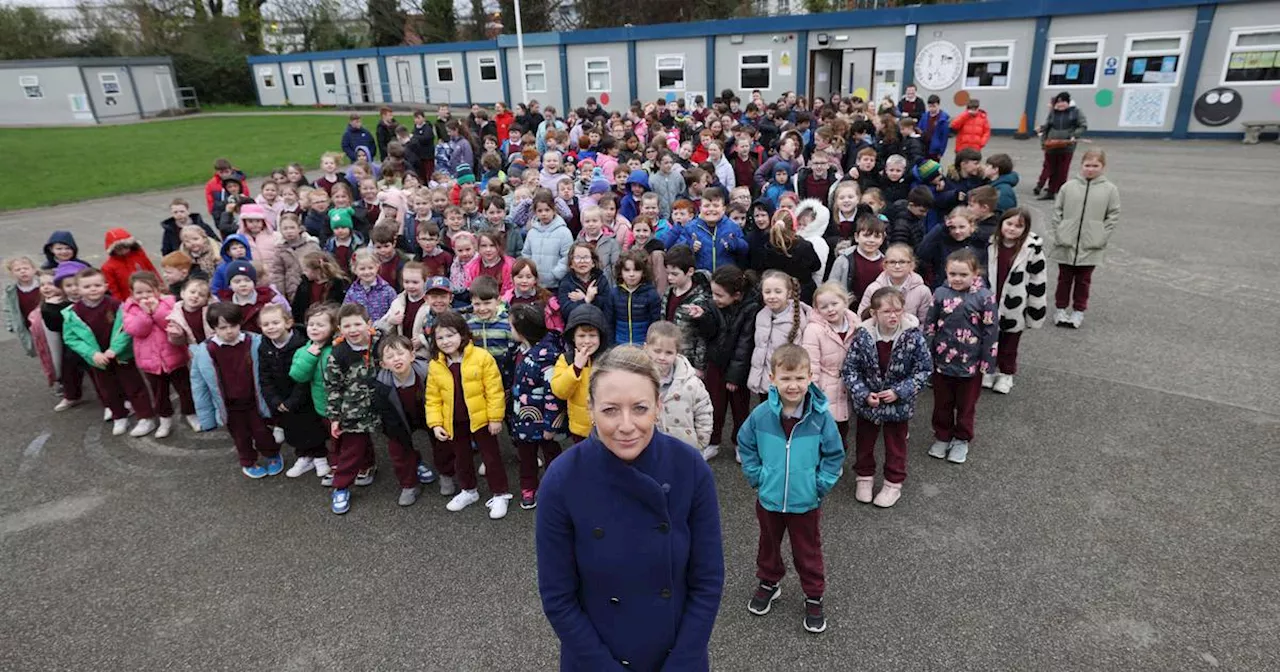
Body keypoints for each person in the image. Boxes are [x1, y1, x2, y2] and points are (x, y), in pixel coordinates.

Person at [536, 345, 725, 671]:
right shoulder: (562, 478)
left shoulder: (689, 467)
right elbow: (558, 598)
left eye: (639, 408)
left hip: (677, 655)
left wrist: (683, 662)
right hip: (594, 659)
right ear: (590, 409)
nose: (626, 425)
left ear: (658, 407)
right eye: (610, 410)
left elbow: (707, 580)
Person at [737, 343, 844, 634]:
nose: (793, 385)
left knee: (807, 550)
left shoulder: (820, 417)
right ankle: (769, 582)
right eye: (785, 378)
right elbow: (744, 443)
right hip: (769, 498)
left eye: (799, 378)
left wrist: (819, 485)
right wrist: (756, 475)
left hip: (805, 501)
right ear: (772, 378)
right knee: (768, 544)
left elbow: (835, 455)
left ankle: (813, 594)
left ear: (810, 377)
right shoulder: (761, 415)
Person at [840, 286, 932, 508]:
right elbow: (850, 370)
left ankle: (893, 483)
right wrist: (862, 394)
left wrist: (899, 392)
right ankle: (864, 477)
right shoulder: (862, 336)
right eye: (887, 311)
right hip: (868, 404)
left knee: (896, 444)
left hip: (898, 404)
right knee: (864, 442)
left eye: (898, 311)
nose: (893, 316)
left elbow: (924, 370)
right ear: (873, 313)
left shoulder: (913, 336)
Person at [425, 311, 512, 518]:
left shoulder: (482, 358)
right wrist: (436, 423)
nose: (446, 341)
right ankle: (468, 491)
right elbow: (432, 398)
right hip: (454, 421)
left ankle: (500, 493)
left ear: (463, 334)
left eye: (450, 335)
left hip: (482, 420)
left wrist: (495, 418)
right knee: (461, 457)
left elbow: (494, 390)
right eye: (440, 337)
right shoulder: (436, 365)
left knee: (491, 457)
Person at [62, 268, 158, 437]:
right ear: (77, 289)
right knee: (107, 389)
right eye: (87, 286)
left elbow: (127, 329)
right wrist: (92, 354)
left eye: (97, 285)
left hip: (121, 356)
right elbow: (71, 338)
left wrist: (115, 349)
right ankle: (119, 416)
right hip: (98, 359)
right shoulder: (72, 313)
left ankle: (146, 417)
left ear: (106, 285)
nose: (93, 289)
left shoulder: (116, 305)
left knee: (135, 386)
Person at [924, 249, 997, 465]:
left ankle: (961, 439)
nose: (957, 279)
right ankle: (942, 435)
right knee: (942, 402)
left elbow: (991, 332)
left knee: (966, 405)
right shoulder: (939, 293)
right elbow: (930, 325)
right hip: (942, 361)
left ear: (975, 273)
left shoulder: (984, 298)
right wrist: (927, 356)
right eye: (952, 274)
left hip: (971, 365)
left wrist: (987, 362)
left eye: (963, 275)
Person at [193, 302, 281, 477]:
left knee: (263, 431)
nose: (229, 331)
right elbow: (198, 385)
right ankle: (248, 461)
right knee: (240, 437)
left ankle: (272, 454)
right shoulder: (206, 351)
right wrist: (206, 417)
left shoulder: (254, 342)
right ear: (213, 328)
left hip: (255, 401)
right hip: (230, 406)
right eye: (222, 327)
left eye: (233, 325)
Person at [1048, 149, 1119, 329]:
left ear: (1103, 167)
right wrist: (1060, 232)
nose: (1090, 169)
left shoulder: (1109, 190)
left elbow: (1113, 215)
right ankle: (1061, 309)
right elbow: (1057, 211)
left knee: (1083, 280)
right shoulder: (1068, 187)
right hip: (1067, 242)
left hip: (1091, 245)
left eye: (1095, 166)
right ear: (1081, 165)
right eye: (1087, 165)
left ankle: (1079, 310)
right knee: (1064, 279)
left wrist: (1102, 235)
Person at [121, 271, 194, 438]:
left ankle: (191, 413)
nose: (144, 296)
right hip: (150, 363)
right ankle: (164, 419)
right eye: (139, 292)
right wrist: (146, 314)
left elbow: (170, 322)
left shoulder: (169, 303)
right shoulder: (130, 308)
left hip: (175, 358)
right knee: (159, 394)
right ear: (132, 293)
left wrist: (156, 311)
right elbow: (136, 330)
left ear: (158, 289)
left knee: (185, 389)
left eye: (149, 291)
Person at [324, 303, 381, 514]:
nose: (353, 330)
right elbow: (333, 387)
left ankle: (410, 465)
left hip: (382, 403)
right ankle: (340, 486)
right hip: (354, 408)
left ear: (369, 324)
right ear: (340, 328)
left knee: (399, 438)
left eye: (358, 324)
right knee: (353, 447)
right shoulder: (339, 354)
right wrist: (335, 417)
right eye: (347, 326)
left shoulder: (379, 343)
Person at [371, 334, 439, 508]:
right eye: (390, 357)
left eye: (401, 354)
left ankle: (447, 474)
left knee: (442, 440)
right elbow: (385, 415)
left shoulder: (427, 372)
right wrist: (396, 433)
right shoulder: (382, 384)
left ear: (412, 355)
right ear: (383, 364)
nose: (396, 359)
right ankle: (409, 484)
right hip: (399, 419)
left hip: (427, 413)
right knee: (398, 449)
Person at [509, 303, 566, 510]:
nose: (510, 330)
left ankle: (554, 488)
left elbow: (553, 394)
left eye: (512, 327)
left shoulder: (547, 356)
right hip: (522, 418)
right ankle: (528, 487)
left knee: (552, 455)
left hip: (543, 420)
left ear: (523, 330)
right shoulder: (519, 349)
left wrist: (551, 426)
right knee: (526, 458)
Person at [985, 207, 1047, 394]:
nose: (1012, 229)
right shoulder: (990, 244)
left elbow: (1038, 280)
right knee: (989, 339)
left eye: (1018, 226)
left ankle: (1006, 374)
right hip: (991, 301)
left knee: (1010, 342)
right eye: (1009, 224)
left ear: (1025, 229)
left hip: (1015, 306)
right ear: (1001, 224)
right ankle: (988, 370)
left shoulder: (1032, 250)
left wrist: (1035, 310)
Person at [801, 282, 860, 444]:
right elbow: (811, 364)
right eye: (824, 306)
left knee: (843, 425)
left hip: (848, 385)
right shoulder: (814, 330)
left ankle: (837, 460)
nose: (830, 309)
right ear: (817, 309)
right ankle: (821, 460)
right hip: (825, 385)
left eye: (834, 304)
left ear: (845, 302)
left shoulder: (856, 324)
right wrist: (814, 392)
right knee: (824, 427)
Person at [287, 303, 339, 480]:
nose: (314, 328)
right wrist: (310, 355)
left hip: (342, 406)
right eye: (311, 324)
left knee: (348, 439)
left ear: (333, 327)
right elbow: (297, 375)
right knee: (333, 439)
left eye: (320, 324)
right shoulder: (303, 351)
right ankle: (336, 466)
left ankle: (362, 465)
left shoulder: (337, 348)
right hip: (322, 406)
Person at [644, 321, 713, 451]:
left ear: (677, 353)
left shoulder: (692, 383)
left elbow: (704, 412)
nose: (662, 357)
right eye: (657, 351)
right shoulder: (637, 381)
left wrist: (701, 442)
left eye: (669, 352)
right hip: (648, 450)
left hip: (683, 449)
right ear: (646, 348)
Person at [551, 304, 609, 443]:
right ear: (573, 338)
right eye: (581, 336)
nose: (587, 341)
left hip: (606, 425)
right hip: (580, 428)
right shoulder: (566, 359)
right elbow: (560, 391)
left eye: (592, 336)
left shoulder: (609, 359)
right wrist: (576, 367)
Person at [747, 269, 810, 397]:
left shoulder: (798, 319)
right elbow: (760, 349)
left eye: (778, 291)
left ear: (789, 293)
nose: (772, 296)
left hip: (787, 383)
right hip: (766, 379)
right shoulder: (761, 315)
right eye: (767, 292)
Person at [857, 243, 933, 324]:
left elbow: (925, 322)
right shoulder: (873, 289)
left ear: (911, 265)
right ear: (885, 265)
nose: (897, 266)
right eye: (892, 262)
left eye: (902, 262)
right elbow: (861, 318)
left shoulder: (922, 291)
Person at [1036, 92, 1088, 200]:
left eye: (1063, 102)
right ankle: (1050, 192)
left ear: (1068, 102)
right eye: (1058, 102)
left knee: (1063, 170)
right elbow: (1047, 127)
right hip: (1052, 145)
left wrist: (1074, 135)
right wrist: (1043, 141)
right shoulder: (1053, 113)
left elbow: (1083, 125)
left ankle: (1061, 192)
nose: (1060, 105)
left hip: (1066, 146)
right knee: (1051, 168)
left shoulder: (1076, 112)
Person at [100, 228, 157, 301]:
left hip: (150, 296)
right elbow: (114, 291)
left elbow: (152, 270)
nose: (124, 250)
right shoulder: (108, 268)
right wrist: (121, 305)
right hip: (129, 302)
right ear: (113, 249)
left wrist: (161, 288)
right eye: (119, 248)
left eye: (126, 247)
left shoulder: (139, 255)